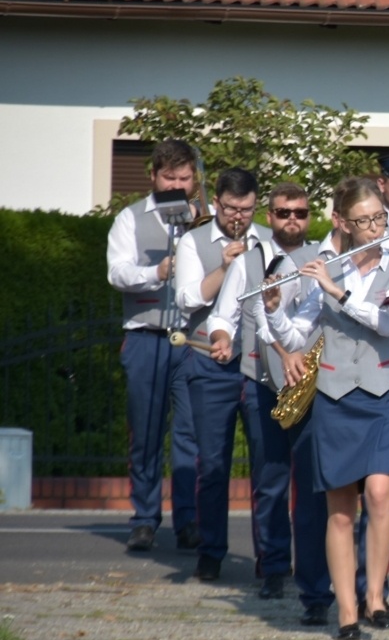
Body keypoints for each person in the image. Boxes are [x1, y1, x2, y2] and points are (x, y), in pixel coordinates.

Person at [265, 176, 389, 639]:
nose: (376, 227)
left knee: (379, 493)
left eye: (379, 217)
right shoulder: (324, 269)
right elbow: (297, 336)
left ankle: (376, 595)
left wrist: (339, 294)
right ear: (342, 223)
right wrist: (275, 309)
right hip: (337, 396)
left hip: (384, 392)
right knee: (339, 511)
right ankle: (347, 610)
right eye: (364, 221)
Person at [207, 181, 330, 614]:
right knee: (271, 481)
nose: (292, 220)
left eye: (300, 212)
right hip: (264, 382)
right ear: (270, 215)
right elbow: (225, 315)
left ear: (309, 214)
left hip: (313, 386)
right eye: (283, 213)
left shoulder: (324, 258)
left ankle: (315, 570)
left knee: (315, 485)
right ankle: (274, 567)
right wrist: (222, 337)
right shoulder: (251, 258)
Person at [109, 138, 201, 553]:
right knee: (145, 433)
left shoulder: (206, 220)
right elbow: (118, 273)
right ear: (153, 177)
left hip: (192, 340)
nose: (177, 186)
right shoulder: (130, 219)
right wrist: (157, 271)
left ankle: (189, 521)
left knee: (191, 435)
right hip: (146, 337)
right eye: (169, 177)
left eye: (184, 178)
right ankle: (145, 519)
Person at [174, 167, 262, 583]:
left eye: (245, 209)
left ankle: (271, 558)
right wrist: (226, 269)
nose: (237, 218)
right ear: (217, 204)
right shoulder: (194, 241)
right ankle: (210, 553)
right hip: (210, 365)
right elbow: (188, 299)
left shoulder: (265, 240)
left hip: (259, 365)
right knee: (212, 465)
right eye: (230, 209)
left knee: (267, 467)